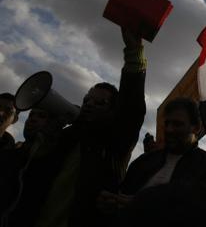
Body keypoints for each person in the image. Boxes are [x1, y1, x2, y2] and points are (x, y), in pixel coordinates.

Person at [2, 28, 147, 227]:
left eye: (99, 103)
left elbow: (132, 109)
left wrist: (134, 53)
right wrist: (48, 135)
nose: (89, 104)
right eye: (87, 100)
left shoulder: (115, 142)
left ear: (114, 113)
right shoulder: (67, 135)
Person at [97, 97, 206, 214]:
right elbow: (122, 195)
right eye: (167, 123)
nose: (169, 129)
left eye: (177, 124)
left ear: (196, 127)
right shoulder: (143, 162)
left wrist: (146, 206)